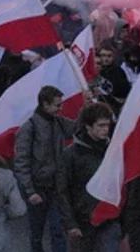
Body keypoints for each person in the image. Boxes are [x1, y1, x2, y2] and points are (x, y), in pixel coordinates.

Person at [13, 85, 75, 252]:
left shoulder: (59, 123)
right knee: (36, 233)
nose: (60, 108)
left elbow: (79, 128)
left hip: (56, 187)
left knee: (58, 230)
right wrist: (30, 191)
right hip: (37, 188)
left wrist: (88, 107)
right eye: (57, 105)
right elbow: (21, 162)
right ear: (45, 104)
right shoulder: (29, 128)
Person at [56, 103, 118, 252]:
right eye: (100, 126)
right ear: (88, 127)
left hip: (109, 220)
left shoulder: (113, 151)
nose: (105, 130)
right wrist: (70, 224)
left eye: (107, 125)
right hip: (83, 222)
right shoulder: (70, 155)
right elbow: (62, 191)